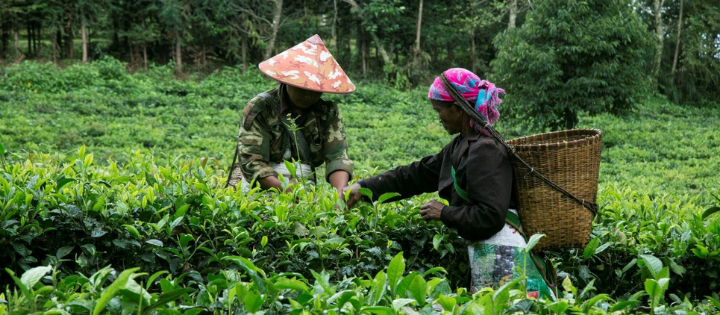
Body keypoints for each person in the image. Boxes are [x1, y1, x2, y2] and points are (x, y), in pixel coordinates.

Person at [343, 68, 555, 299]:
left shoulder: (486, 150)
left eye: (439, 110)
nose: (438, 118)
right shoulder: (462, 144)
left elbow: (490, 216)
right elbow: (416, 174)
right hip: (489, 251)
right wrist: (364, 187)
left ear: (458, 108)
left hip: (504, 254)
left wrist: (444, 213)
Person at [227, 34, 354, 195]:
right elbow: (252, 162)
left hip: (304, 187)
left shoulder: (327, 113)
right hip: (262, 185)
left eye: (315, 91)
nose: (308, 95)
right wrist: (287, 190)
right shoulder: (260, 108)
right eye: (302, 88)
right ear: (287, 81)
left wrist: (340, 194)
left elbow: (338, 157)